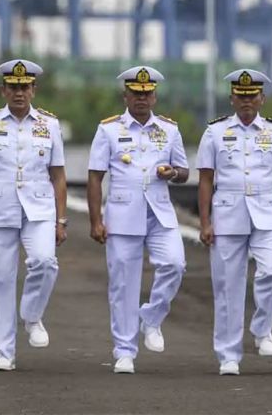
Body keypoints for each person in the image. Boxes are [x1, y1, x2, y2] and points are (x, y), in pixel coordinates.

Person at [0, 59, 67, 371]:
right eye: (13, 87)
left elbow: (59, 175)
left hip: (39, 208)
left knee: (45, 261)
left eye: (25, 87)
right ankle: (4, 351)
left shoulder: (49, 124)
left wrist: (61, 220)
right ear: (3, 90)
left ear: (34, 90)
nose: (19, 93)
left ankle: (32, 314)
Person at [86, 66, 188, 374]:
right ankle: (124, 351)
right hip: (122, 214)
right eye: (136, 93)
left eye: (147, 94)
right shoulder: (108, 130)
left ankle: (152, 317)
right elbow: (94, 177)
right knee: (123, 284)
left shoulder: (169, 130)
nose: (141, 99)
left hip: (159, 212)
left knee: (175, 264)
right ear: (125, 95)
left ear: (155, 96)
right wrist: (95, 220)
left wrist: (172, 173)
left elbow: (184, 172)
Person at [196, 69, 272, 376]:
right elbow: (205, 179)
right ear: (231, 99)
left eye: (252, 96)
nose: (246, 102)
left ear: (262, 99)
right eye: (241, 97)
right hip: (227, 212)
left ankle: (262, 328)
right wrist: (204, 222)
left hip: (267, 211)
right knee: (228, 287)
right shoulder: (215, 132)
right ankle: (228, 355)